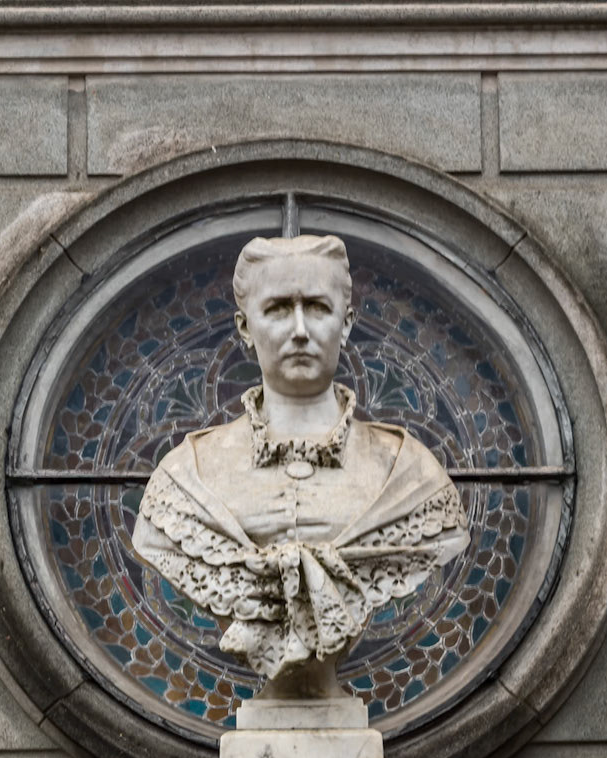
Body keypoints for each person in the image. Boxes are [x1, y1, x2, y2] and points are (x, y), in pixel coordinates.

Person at [131, 233, 468, 692]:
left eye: (317, 307)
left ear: (345, 324)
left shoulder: (410, 476)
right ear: (245, 328)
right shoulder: (184, 480)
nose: (300, 330)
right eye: (277, 309)